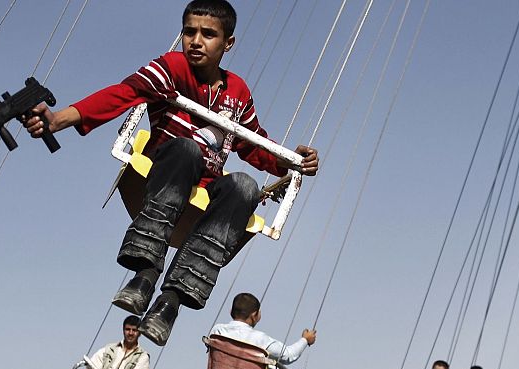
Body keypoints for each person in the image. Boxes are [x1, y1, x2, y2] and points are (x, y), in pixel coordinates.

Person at [22, 0, 320, 347]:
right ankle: (146, 273)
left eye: (208, 34)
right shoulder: (171, 68)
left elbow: (253, 144)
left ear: (228, 44)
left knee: (245, 185)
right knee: (187, 148)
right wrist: (59, 119)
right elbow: (124, 93)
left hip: (206, 191)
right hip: (168, 173)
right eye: (189, 32)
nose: (196, 41)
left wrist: (290, 162)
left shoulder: (237, 91)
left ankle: (171, 302)